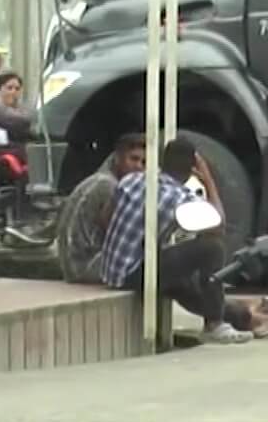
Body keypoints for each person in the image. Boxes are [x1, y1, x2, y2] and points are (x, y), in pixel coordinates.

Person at [98, 136, 255, 345]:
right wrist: (208, 180)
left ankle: (240, 316)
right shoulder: (180, 197)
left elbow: (104, 219)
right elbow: (219, 226)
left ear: (162, 161)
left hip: (111, 272)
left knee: (184, 281)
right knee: (212, 248)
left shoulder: (132, 180)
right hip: (134, 275)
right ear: (192, 169)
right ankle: (215, 324)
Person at [59, 134, 145, 285]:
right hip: (85, 265)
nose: (138, 166)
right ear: (118, 158)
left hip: (76, 263)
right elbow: (117, 234)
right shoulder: (109, 186)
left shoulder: (102, 179)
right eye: (133, 159)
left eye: (143, 162)